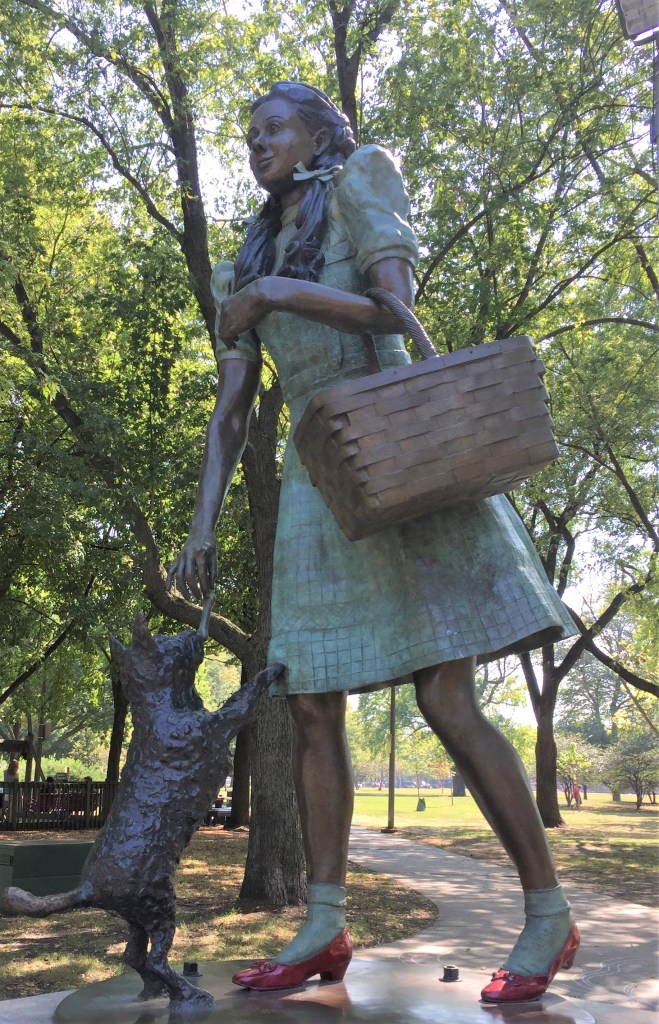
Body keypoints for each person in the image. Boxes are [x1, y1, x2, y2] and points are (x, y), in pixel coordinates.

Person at [169, 81, 580, 1004]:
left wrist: (284, 292)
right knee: (310, 704)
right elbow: (232, 414)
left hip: (397, 447)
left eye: (271, 127)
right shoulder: (249, 253)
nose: (255, 143)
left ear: (318, 132)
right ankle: (323, 920)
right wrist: (202, 524)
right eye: (247, 134)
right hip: (319, 478)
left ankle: (547, 912)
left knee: (446, 698)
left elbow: (395, 309)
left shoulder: (361, 175)